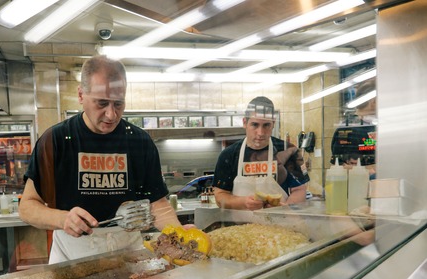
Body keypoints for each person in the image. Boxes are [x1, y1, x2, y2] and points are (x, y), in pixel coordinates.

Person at [19, 55, 183, 264]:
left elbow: (157, 203)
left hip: (129, 252)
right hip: (72, 252)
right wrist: (62, 218)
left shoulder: (140, 142)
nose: (111, 114)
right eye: (102, 103)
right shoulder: (56, 140)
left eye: (118, 104)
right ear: (81, 95)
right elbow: (27, 207)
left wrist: (178, 233)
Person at [213, 96, 309, 210]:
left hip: (279, 224)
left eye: (266, 125)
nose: (260, 133)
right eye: (255, 125)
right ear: (245, 122)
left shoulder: (288, 151)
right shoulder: (229, 155)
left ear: (273, 123)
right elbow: (220, 196)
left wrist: (285, 209)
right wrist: (243, 202)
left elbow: (299, 190)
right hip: (240, 226)